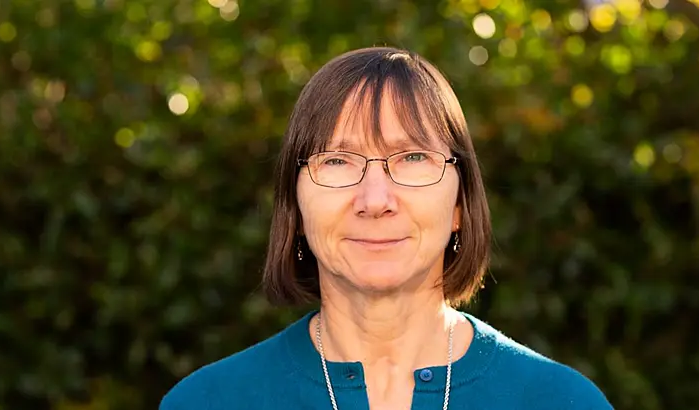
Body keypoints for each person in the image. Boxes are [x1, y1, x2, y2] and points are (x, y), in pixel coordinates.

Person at [159, 46, 613, 410]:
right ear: (295, 211)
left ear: (459, 204)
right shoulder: (207, 402)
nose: (375, 201)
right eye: (337, 161)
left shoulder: (561, 401)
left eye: (412, 158)